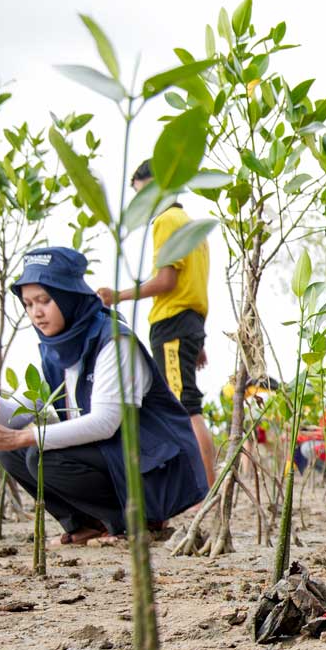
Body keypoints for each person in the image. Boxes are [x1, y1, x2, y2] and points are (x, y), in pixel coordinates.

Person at [0, 248, 208, 544]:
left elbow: (106, 423)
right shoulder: (59, 349)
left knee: (35, 452)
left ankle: (135, 522)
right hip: (112, 459)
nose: (36, 312)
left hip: (152, 467)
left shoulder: (115, 342)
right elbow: (26, 410)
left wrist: (23, 437)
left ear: (69, 297)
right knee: (9, 452)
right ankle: (87, 524)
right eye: (28, 304)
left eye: (44, 301)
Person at [97, 160, 215, 486]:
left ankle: (203, 493)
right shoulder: (191, 224)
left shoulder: (166, 221)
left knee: (185, 409)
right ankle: (202, 488)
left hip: (172, 324)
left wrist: (116, 295)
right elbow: (196, 285)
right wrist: (198, 341)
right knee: (186, 403)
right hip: (189, 324)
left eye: (140, 194)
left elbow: (166, 281)